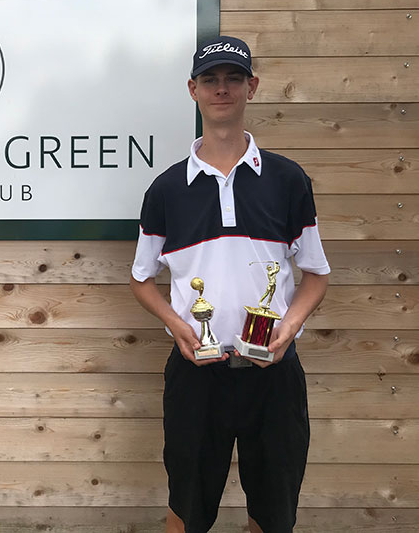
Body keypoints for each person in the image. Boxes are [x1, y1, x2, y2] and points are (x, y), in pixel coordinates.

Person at [129, 36, 331, 533]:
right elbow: (141, 280)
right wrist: (177, 324)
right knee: (187, 510)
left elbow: (316, 276)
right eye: (211, 80)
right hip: (196, 376)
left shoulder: (287, 181)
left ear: (252, 87)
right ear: (192, 90)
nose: (223, 89)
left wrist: (289, 325)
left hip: (273, 375)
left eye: (233, 79)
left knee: (274, 512)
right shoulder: (167, 189)